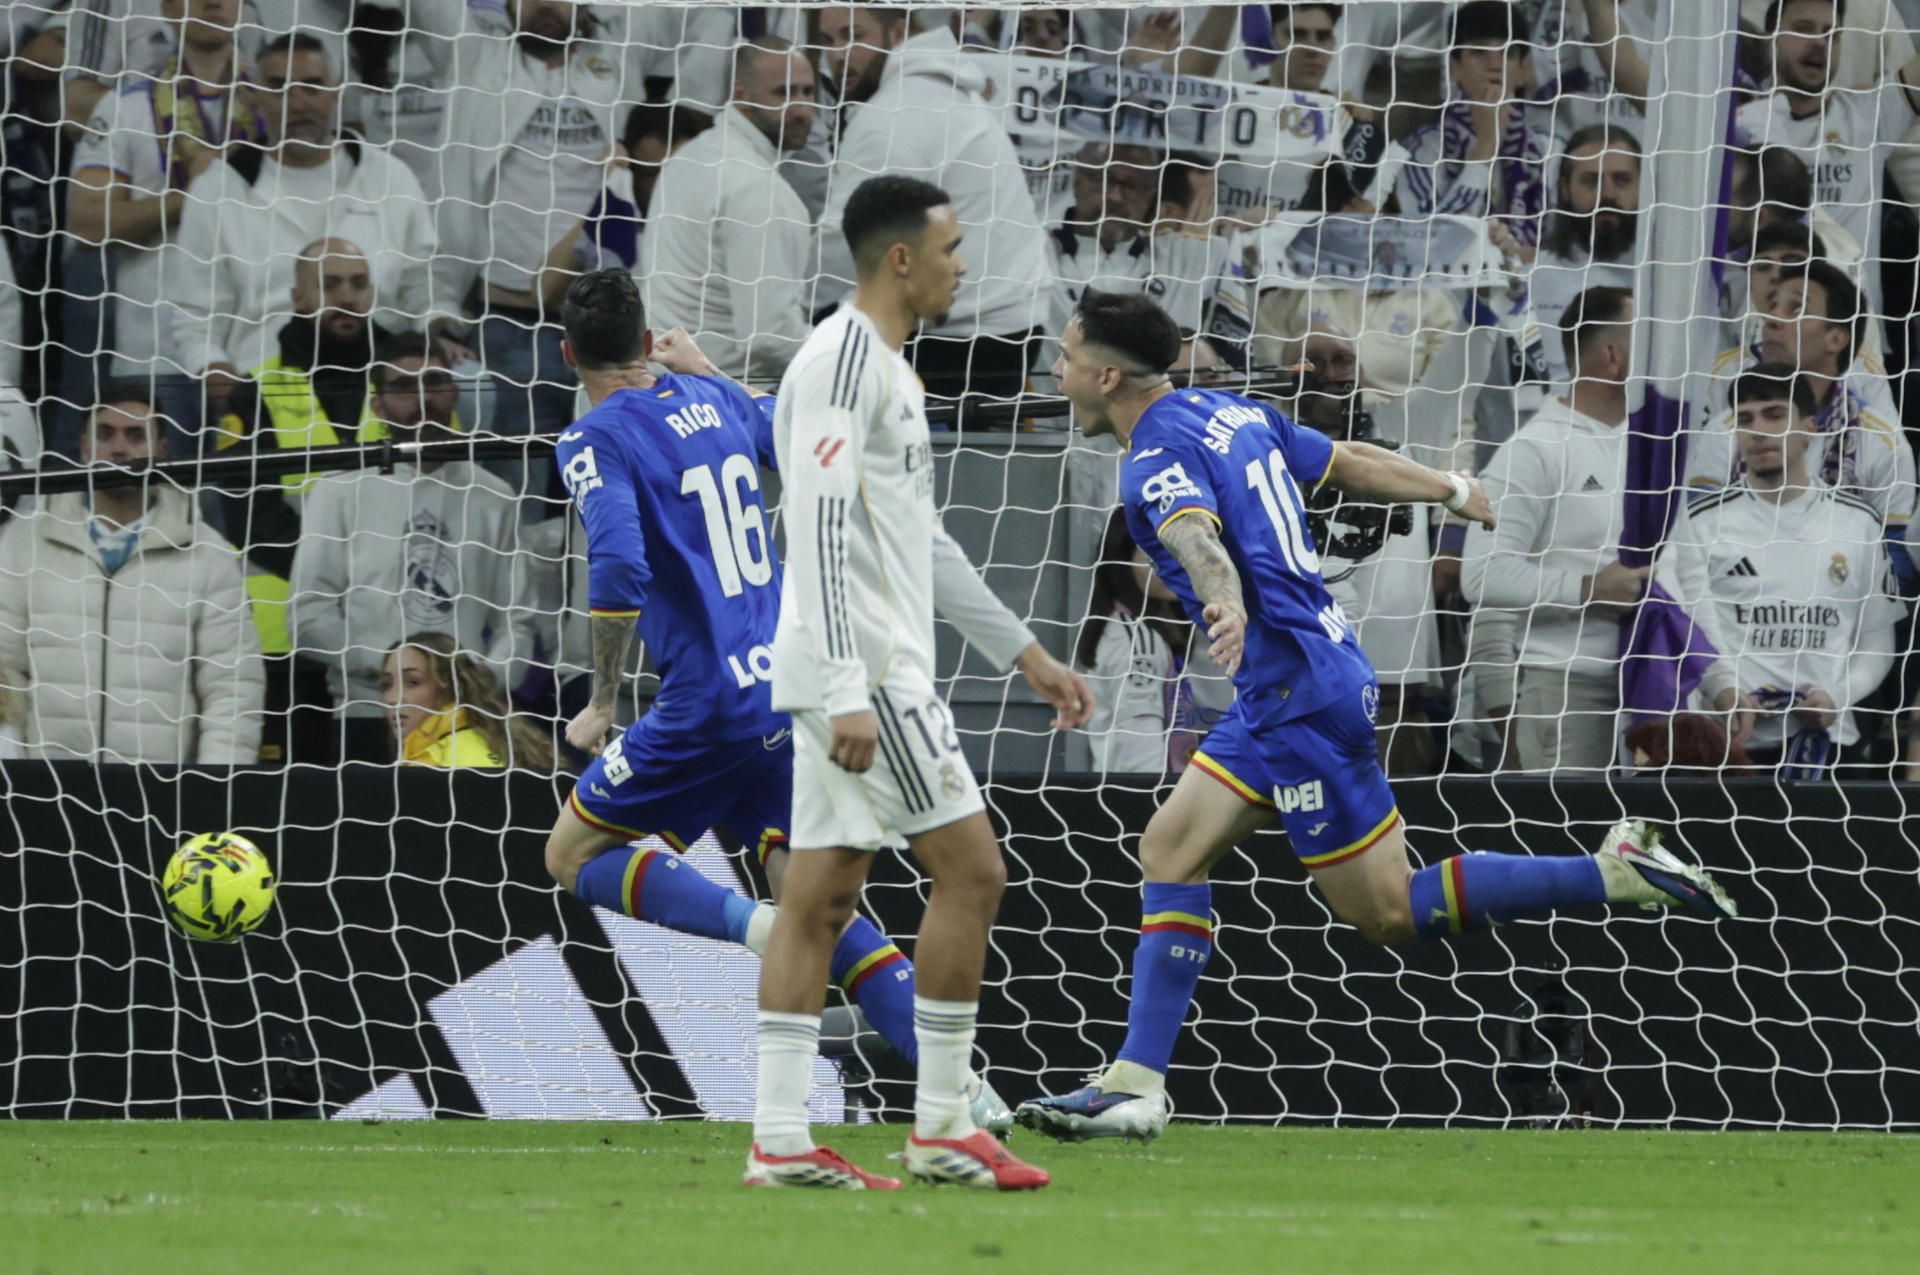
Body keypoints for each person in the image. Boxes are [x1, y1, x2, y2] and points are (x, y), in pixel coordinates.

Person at [1013, 287, 1736, 1145]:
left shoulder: (1150, 459)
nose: (1054, 373)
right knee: (1168, 846)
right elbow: (1347, 459)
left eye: (1063, 358)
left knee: (1387, 912)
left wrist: (1223, 601)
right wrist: (1452, 486)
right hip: (1291, 683)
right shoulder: (1227, 412)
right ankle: (1134, 1082)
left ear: (1105, 373)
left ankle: (1613, 870)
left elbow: (1196, 535)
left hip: (1299, 698)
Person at [539, 270, 1019, 1166]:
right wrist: (711, 371)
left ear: (566, 354)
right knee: (826, 901)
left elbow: (616, 567)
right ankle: (962, 1093)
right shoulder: (712, 396)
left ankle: (751, 930)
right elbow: (793, 445)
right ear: (651, 340)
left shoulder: (590, 436)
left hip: (704, 707)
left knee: (571, 854)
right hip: (782, 685)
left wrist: (604, 698)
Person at [748, 176, 1091, 1190]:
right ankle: (942, 1123)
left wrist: (1020, 650)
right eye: (950, 246)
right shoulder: (842, 359)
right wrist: (851, 685)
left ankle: (777, 1141)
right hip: (869, 672)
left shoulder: (891, 370)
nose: (963, 264)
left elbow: (918, 535)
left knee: (818, 899)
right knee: (974, 872)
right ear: (900, 258)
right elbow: (810, 522)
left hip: (856, 667)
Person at [167, 31, 440, 448]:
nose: (297, 102)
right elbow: (194, 319)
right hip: (263, 390)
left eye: (312, 86)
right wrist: (231, 395)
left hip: (382, 387)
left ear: (335, 94)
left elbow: (426, 289)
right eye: (279, 87)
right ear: (255, 96)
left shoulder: (388, 176)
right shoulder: (221, 188)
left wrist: (437, 340)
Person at [288, 334, 534, 763]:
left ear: (455, 391)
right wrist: (389, 669)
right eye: (403, 386)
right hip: (366, 714)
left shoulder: (494, 496)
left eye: (434, 381)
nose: (423, 397)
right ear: (377, 405)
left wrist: (479, 680)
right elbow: (306, 615)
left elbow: (521, 620)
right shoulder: (338, 492)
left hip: (467, 718)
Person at [1656, 365, 1900, 775]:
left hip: (1828, 747)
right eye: (1746, 419)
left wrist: (1838, 695)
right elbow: (1680, 636)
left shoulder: (1858, 524)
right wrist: (1723, 690)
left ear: (1809, 427)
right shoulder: (1698, 523)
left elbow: (1877, 642)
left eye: (1774, 415)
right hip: (1727, 747)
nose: (1758, 430)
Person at [0, 390, 263, 763]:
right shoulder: (24, 540)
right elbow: (4, 672)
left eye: (135, 435)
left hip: (162, 792)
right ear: (83, 447)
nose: (119, 449)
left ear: (162, 448)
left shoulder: (207, 552)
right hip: (47, 791)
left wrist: (214, 789)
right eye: (105, 434)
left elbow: (233, 689)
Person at [408, 0, 626, 442]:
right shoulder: (474, 58)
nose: (544, 5)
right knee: (518, 480)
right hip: (506, 324)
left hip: (604, 325)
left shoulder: (622, 59)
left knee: (606, 477)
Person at [816, 7, 1052, 414]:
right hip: (1010, 327)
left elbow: (841, 249)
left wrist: (792, 319)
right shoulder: (946, 93)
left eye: (852, 34)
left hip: (962, 340)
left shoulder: (892, 116)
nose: (839, 53)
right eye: (829, 40)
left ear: (898, 30)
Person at [1462, 285, 1645, 773]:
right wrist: (1587, 588)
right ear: (1612, 354)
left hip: (1654, 687)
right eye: (1649, 336)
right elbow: (1481, 575)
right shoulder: (1535, 449)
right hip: (1567, 689)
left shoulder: (1657, 445)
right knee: (1572, 847)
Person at [66, 0, 262, 410]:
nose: (214, 3)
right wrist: (193, 195)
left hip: (260, 353)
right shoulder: (125, 105)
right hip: (155, 353)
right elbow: (87, 224)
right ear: (167, 8)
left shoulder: (273, 107)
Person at [1688, 259, 1915, 550]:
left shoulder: (1883, 444)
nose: (1771, 319)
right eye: (1772, 306)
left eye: (1796, 308)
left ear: (1836, 338)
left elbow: (1894, 567)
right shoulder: (1725, 428)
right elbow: (1694, 542)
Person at [640, 38, 817, 381]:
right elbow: (770, 338)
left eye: (808, 92)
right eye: (784, 93)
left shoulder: (690, 157)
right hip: (729, 399)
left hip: (664, 390)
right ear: (741, 93)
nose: (800, 109)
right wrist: (851, 360)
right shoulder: (759, 190)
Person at [1734, 0, 1920, 315]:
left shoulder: (1865, 118)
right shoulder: (1739, 127)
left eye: (1831, 34)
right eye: (1803, 29)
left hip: (1857, 341)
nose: (1819, 43)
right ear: (1770, 37)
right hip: (1761, 331)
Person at [1393, 0, 1553, 266]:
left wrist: (1519, 257)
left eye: (1508, 53)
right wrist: (1485, 147)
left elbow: (1568, 255)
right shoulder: (1423, 149)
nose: (1495, 64)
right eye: (1479, 52)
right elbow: (1427, 248)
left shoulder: (1548, 151)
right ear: (1454, 68)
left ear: (1524, 70)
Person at [1077, 507, 1232, 776]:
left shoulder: (1153, 631)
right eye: (1154, 556)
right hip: (1141, 799)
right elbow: (1137, 752)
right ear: (1122, 562)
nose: (1172, 566)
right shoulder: (1137, 642)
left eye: (1178, 553)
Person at [1531, 124, 1641, 383]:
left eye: (1622, 180)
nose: (1608, 194)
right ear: (1566, 189)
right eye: (1591, 181)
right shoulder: (1534, 280)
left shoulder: (1674, 275)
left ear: (1643, 187)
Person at [383, 631, 555, 770]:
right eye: (387, 684)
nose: (393, 699)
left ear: (452, 686)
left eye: (413, 682)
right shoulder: (429, 752)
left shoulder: (462, 756)